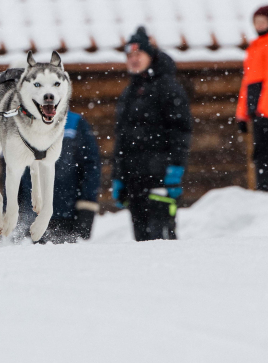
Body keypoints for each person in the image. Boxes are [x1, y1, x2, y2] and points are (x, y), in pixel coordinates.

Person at [111, 27, 192, 241]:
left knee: (161, 240)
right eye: (130, 55)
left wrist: (175, 170)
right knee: (141, 243)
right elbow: (121, 139)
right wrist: (118, 176)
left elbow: (181, 131)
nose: (134, 59)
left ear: (150, 55)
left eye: (139, 54)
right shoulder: (129, 92)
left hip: (160, 177)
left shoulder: (167, 87)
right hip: (133, 180)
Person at [15, 111, 101, 242]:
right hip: (32, 215)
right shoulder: (22, 122)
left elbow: (91, 165)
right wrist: (9, 206)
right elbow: (12, 167)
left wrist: (87, 205)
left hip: (68, 214)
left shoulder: (75, 123)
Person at [235, 6, 268, 192]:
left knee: (265, 148)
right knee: (259, 148)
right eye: (256, 22)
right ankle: (264, 185)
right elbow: (247, 82)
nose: (259, 25)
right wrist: (242, 114)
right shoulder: (255, 46)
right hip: (255, 104)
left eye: (263, 21)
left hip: (267, 106)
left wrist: (265, 110)